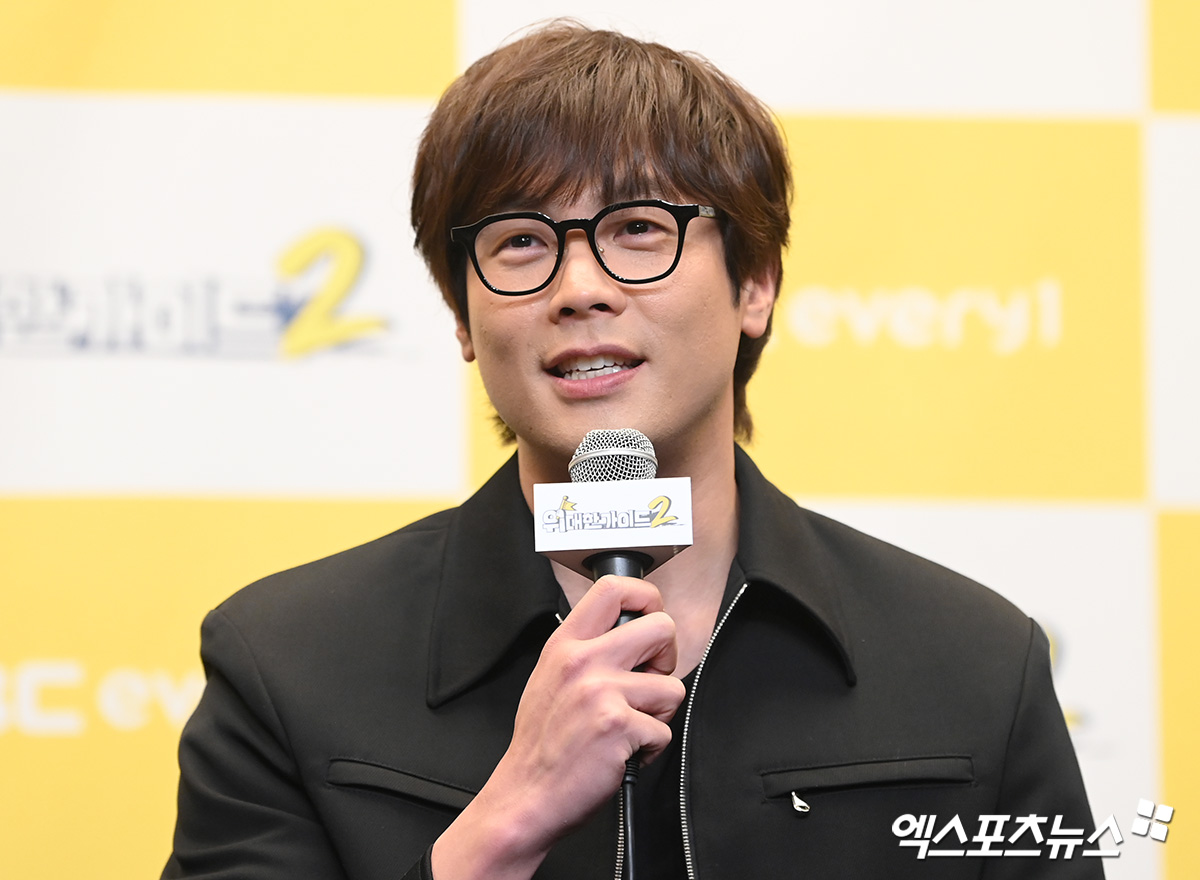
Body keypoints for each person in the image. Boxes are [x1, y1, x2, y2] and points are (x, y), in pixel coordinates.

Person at [162, 21, 1102, 880]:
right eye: (521, 242)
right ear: (460, 314)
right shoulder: (286, 665)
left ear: (755, 285)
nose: (579, 287)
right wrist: (504, 826)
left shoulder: (975, 667)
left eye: (638, 230)